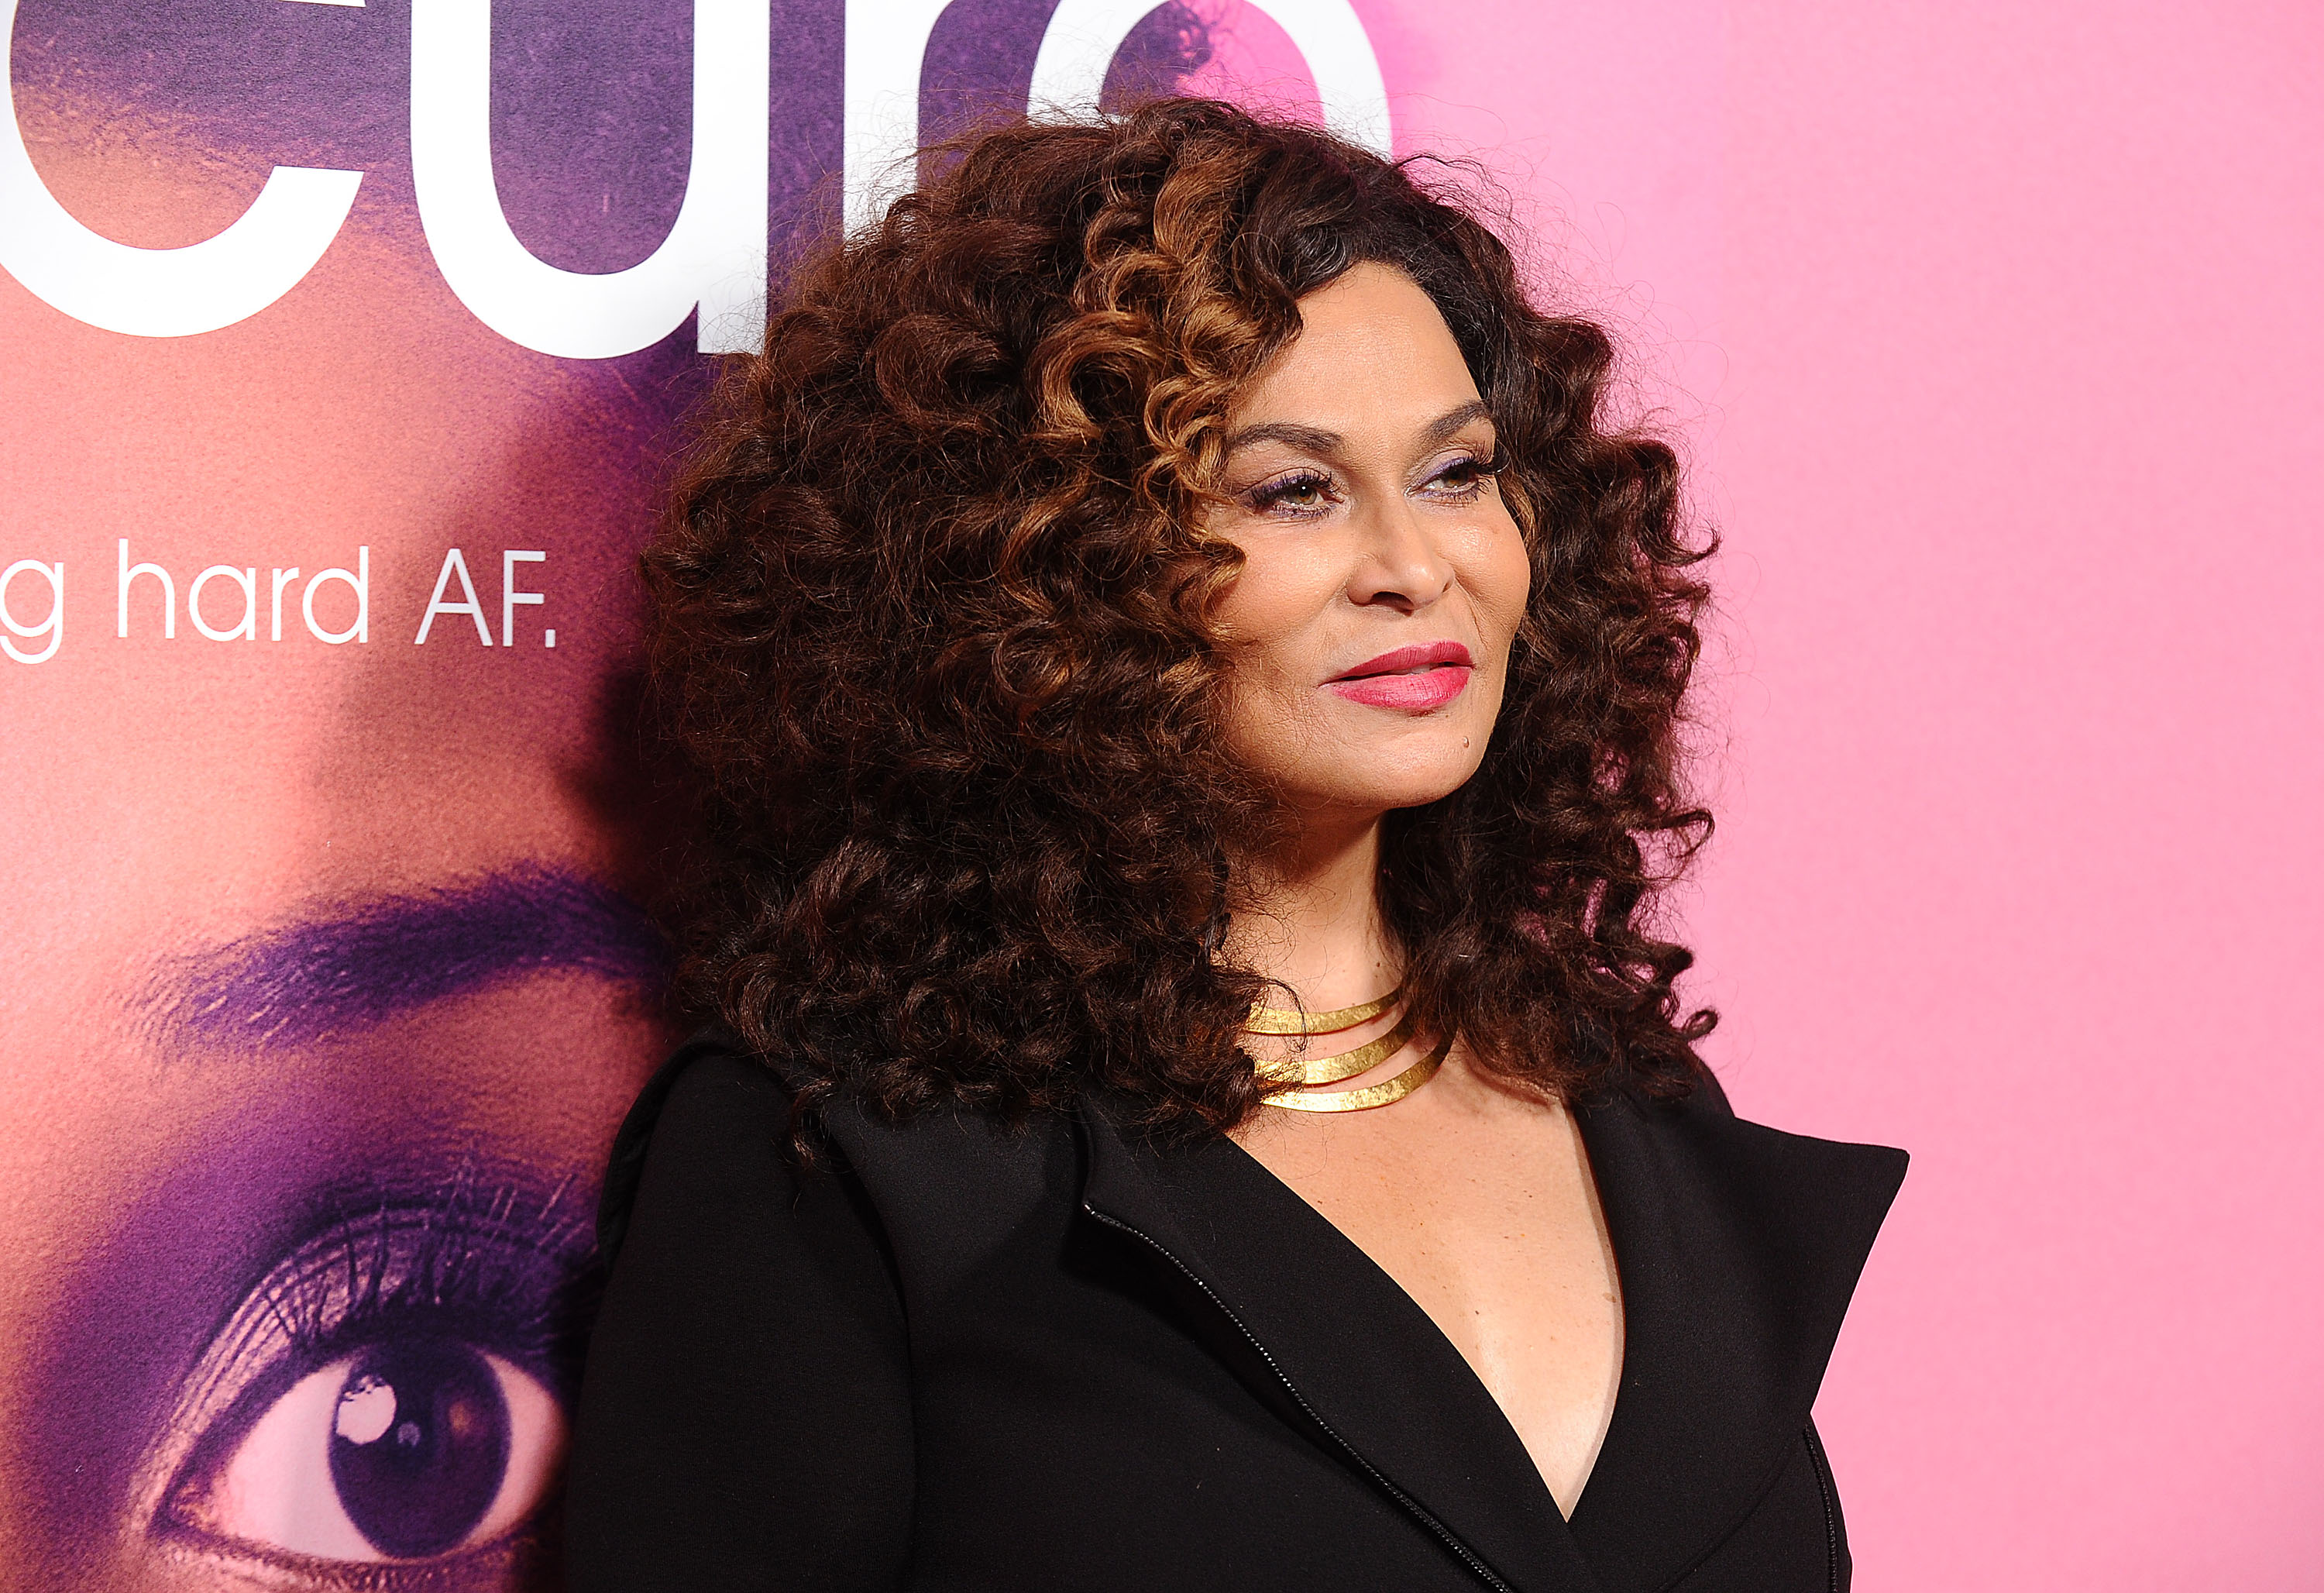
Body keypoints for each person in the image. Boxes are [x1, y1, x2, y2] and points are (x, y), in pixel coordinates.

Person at [565, 98, 1906, 1593]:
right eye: (1293, 491)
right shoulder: (844, 1156)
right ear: (1048, 566)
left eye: (1458, 473)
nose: (1415, 567)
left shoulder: (1628, 1094)